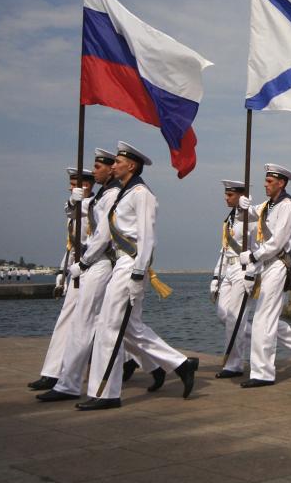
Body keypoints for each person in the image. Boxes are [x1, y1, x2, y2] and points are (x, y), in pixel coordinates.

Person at [76, 142, 198, 411]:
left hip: (130, 264)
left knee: (109, 326)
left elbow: (147, 237)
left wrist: (138, 273)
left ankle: (106, 392)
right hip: (122, 262)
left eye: (118, 162)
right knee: (128, 327)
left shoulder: (141, 194)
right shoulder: (123, 194)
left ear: (131, 166)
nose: (114, 165)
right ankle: (179, 363)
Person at [38, 148, 144, 403]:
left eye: (100, 167)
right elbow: (78, 225)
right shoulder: (102, 197)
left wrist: (83, 264)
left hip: (100, 264)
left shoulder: (116, 196)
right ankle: (66, 379)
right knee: (89, 324)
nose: (96, 170)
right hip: (89, 264)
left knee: (88, 323)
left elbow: (101, 237)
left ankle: (70, 383)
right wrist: (74, 202)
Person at [237, 164, 291, 387]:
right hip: (265, 266)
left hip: (277, 264)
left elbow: (277, 241)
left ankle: (262, 373)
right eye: (266, 180)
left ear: (281, 183)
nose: (265, 184)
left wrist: (253, 256)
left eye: (270, 181)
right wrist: (243, 207)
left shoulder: (287, 206)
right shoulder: (267, 206)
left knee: (263, 319)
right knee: (267, 317)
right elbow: (248, 217)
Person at [28, 168, 94, 391]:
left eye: (75, 183)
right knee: (69, 319)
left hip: (94, 267)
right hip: (77, 268)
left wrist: (76, 204)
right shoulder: (76, 207)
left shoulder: (97, 204)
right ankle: (52, 372)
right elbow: (71, 243)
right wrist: (61, 272)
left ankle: (137, 360)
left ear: (87, 185)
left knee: (111, 323)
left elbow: (93, 238)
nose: (70, 187)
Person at [210, 180, 254, 378]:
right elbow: (224, 248)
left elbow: (257, 241)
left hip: (243, 268)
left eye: (230, 195)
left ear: (240, 196)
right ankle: (266, 335)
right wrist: (215, 276)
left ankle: (234, 364)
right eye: (226, 194)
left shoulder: (249, 216)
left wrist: (252, 272)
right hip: (228, 269)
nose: (226, 198)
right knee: (224, 315)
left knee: (235, 318)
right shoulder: (230, 219)